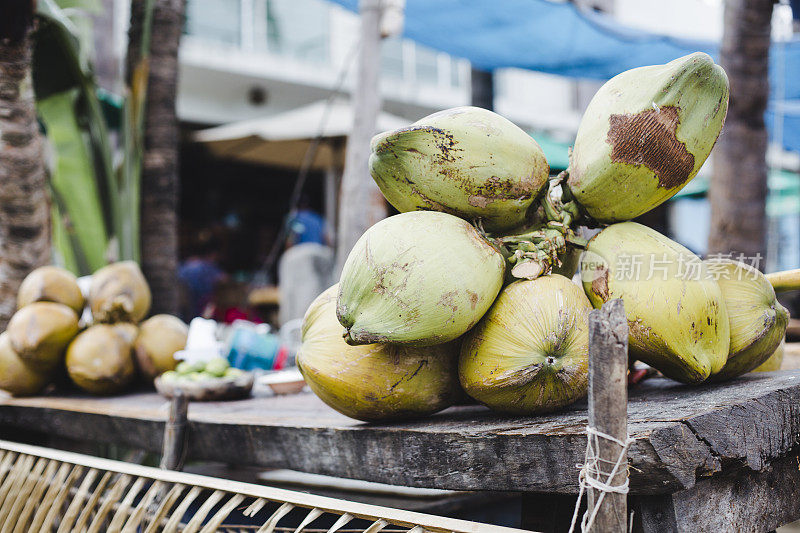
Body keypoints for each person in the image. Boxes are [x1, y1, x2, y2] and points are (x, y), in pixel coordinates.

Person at [178, 232, 227, 319]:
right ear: (214, 253)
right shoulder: (209, 269)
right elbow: (225, 282)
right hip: (201, 313)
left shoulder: (185, 266)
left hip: (184, 312)